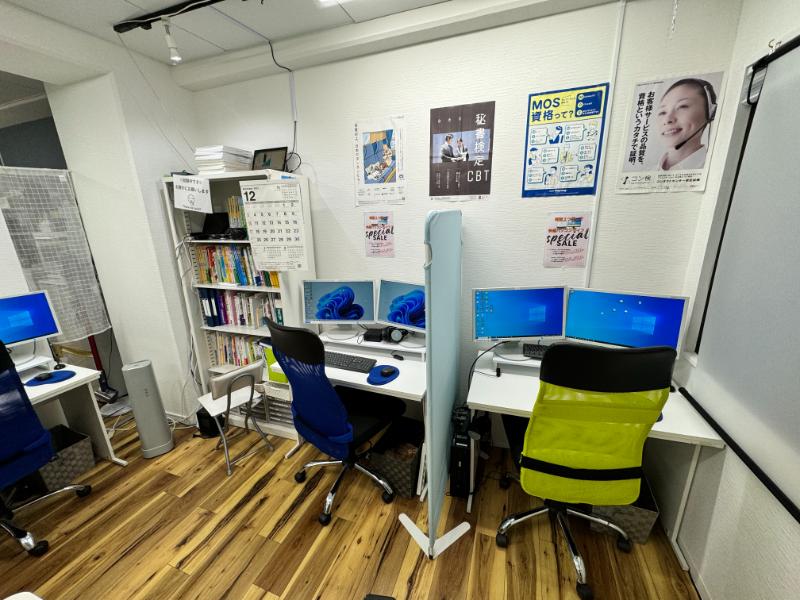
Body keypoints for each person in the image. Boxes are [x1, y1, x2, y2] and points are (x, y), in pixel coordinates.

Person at [656, 78, 716, 171]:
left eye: (682, 106)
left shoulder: (715, 168)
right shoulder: (645, 172)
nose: (667, 119)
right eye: (662, 112)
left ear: (710, 113)